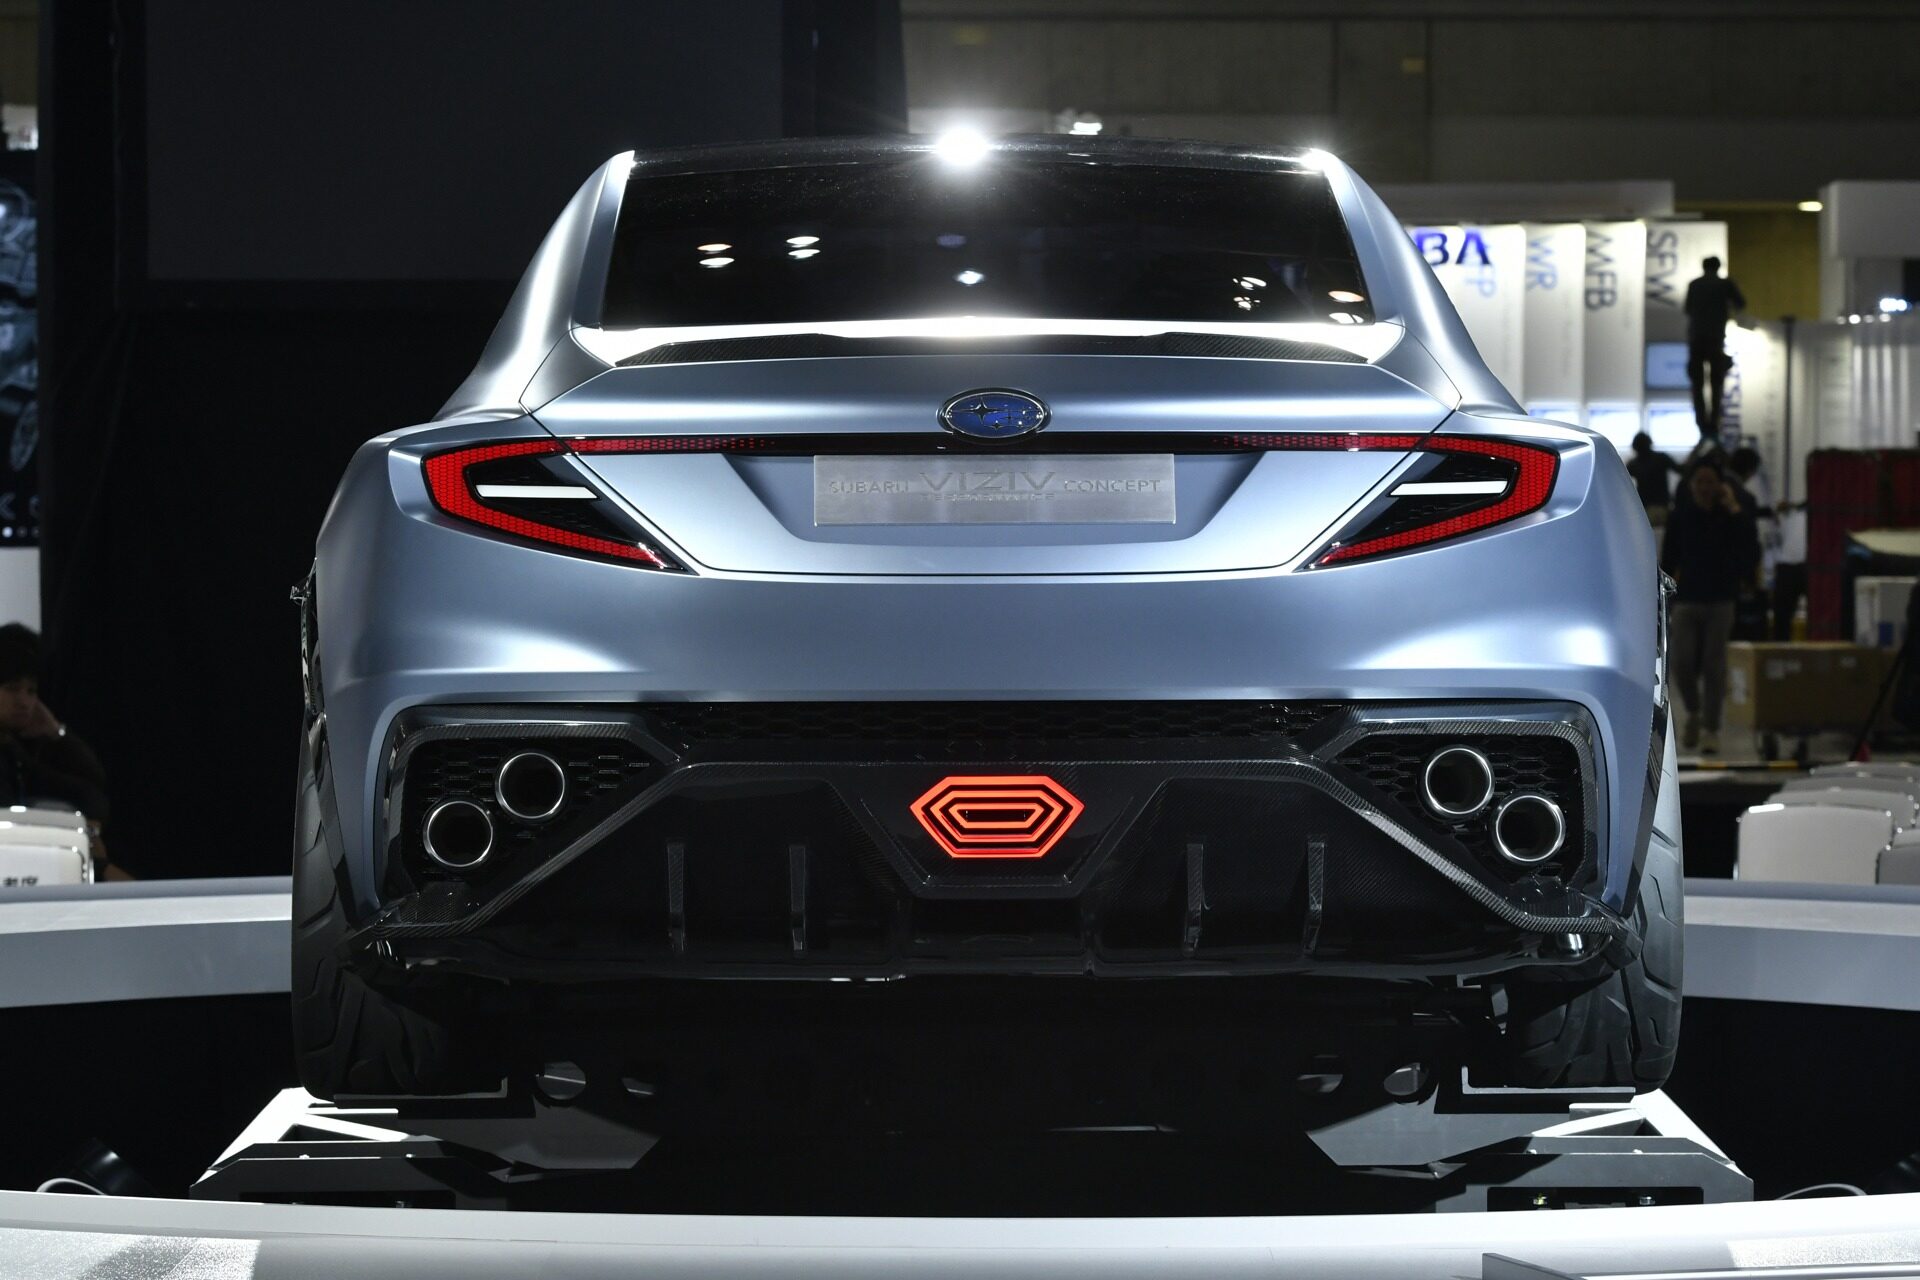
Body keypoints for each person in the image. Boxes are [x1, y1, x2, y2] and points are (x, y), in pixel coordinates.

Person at [0, 623, 121, 877]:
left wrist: (55, 731)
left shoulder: (12, 750)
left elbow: (91, 789)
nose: (24, 702)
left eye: (31, 691)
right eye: (12, 689)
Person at [1660, 459, 1760, 755]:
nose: (1705, 487)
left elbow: (1751, 549)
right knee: (1681, 662)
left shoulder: (1731, 515)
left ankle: (1711, 729)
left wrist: (1734, 509)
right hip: (1687, 598)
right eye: (1700, 482)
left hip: (1721, 599)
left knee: (1714, 666)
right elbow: (1669, 557)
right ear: (1691, 485)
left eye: (1710, 482)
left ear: (1721, 485)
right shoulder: (1681, 516)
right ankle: (1693, 710)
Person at [1682, 256, 1746, 440]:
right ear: (1718, 267)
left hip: (1696, 338)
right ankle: (1714, 422)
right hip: (1715, 338)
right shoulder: (1725, 284)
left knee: (1697, 384)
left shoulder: (1694, 284)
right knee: (1716, 383)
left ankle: (1702, 423)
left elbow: (1687, 309)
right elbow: (1741, 303)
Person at [1626, 432, 1679, 527]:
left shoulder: (1633, 464)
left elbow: (1622, 485)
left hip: (1644, 508)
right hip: (1662, 506)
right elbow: (1681, 470)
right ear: (1649, 443)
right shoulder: (1662, 458)